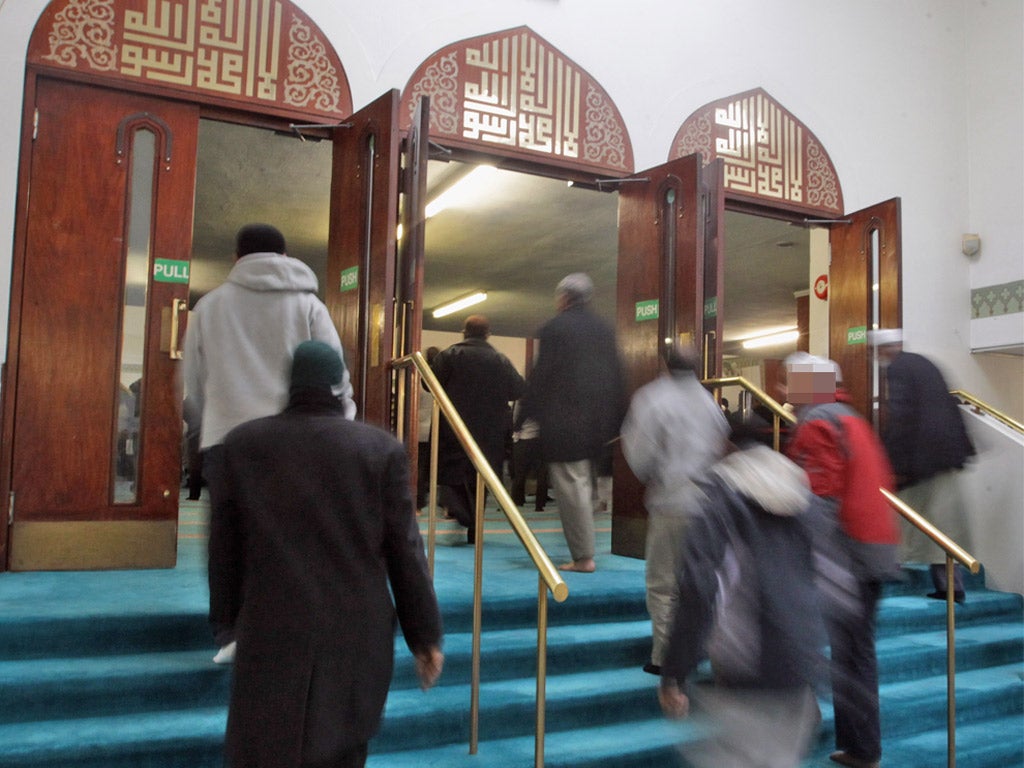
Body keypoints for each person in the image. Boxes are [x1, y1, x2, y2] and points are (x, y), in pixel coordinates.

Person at [219, 341, 443, 768]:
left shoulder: (243, 445)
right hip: (355, 633)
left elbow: (225, 549)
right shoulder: (379, 450)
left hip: (271, 628)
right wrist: (424, 635)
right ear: (341, 386)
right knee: (342, 751)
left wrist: (226, 620)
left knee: (264, 747)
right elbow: (405, 552)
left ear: (291, 385)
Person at [182, 223, 356, 664]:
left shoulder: (210, 307)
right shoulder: (308, 304)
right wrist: (343, 420)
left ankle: (229, 632)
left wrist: (202, 429)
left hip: (228, 436)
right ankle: (290, 626)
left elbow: (194, 384)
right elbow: (333, 370)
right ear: (284, 255)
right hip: (297, 438)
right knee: (293, 534)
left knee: (227, 537)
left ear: (237, 257)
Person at [658, 427, 827, 768]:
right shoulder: (805, 499)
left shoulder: (722, 501)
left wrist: (674, 671)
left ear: (730, 448)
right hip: (801, 665)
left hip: (748, 666)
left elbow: (699, 590)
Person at [783, 353, 900, 768]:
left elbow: (820, 501)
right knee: (857, 654)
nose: (784, 390)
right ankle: (861, 747)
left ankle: (834, 739)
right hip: (876, 548)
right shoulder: (852, 418)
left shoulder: (818, 423)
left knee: (829, 649)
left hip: (845, 556)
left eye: (791, 382)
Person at [621, 343, 729, 674]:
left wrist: (654, 476)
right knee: (699, 581)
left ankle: (665, 656)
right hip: (707, 504)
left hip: (671, 501)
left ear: (665, 364)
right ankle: (700, 647)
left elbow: (639, 453)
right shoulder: (709, 403)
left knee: (663, 582)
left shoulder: (652, 398)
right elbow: (720, 444)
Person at [515, 273, 627, 572]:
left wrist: (524, 414)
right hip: (598, 424)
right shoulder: (604, 329)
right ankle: (584, 550)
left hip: (565, 424)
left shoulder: (555, 328)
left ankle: (583, 557)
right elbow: (617, 375)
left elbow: (542, 375)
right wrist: (618, 419)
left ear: (563, 297)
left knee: (573, 489)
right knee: (584, 485)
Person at [871, 329, 975, 602]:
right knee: (943, 526)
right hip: (944, 457)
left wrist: (890, 460)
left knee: (896, 515)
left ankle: (887, 574)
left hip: (920, 462)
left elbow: (902, 415)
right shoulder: (924, 363)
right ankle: (952, 588)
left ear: (883, 350)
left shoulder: (899, 369)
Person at [430, 315, 525, 543]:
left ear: (464, 332)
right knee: (481, 480)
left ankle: (460, 512)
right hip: (489, 432)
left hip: (455, 427)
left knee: (453, 474)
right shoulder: (500, 360)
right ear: (487, 334)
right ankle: (475, 529)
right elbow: (517, 389)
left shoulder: (449, 355)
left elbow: (429, 384)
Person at [510, 400, 549, 511]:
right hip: (539, 439)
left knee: (519, 473)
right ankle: (540, 503)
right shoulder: (542, 399)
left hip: (523, 439)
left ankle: (517, 500)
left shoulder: (521, 401)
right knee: (541, 474)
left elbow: (516, 422)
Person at [416, 346, 441, 510]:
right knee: (439, 467)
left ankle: (418, 503)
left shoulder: (420, 376)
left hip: (420, 429)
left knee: (420, 467)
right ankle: (445, 505)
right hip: (438, 428)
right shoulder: (442, 378)